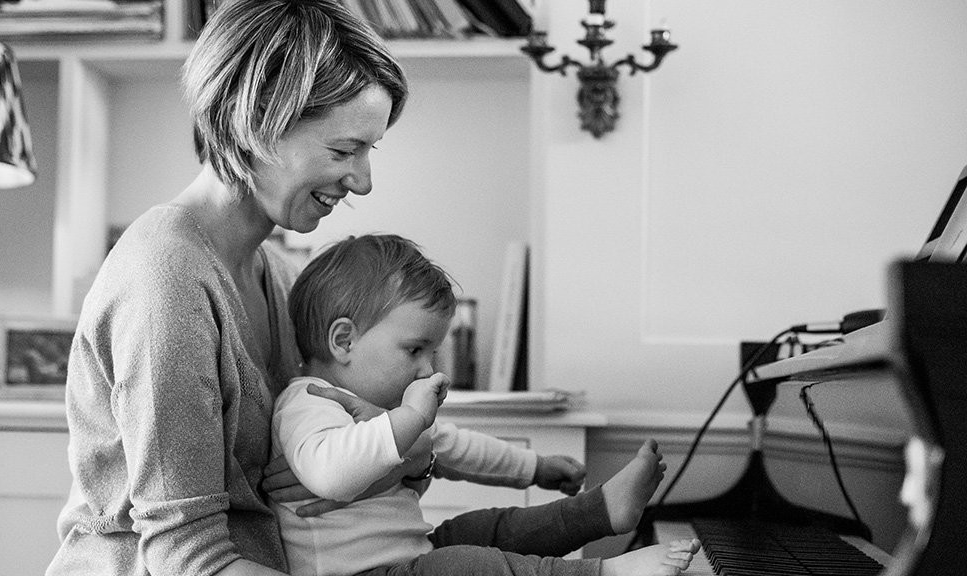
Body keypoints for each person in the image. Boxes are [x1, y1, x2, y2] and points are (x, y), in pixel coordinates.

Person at [46, 1, 417, 574]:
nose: (363, 182)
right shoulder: (165, 283)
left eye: (369, 150)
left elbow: (372, 445)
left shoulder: (284, 276)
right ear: (255, 121)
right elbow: (186, 557)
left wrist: (386, 462)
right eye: (344, 150)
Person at [273, 233, 701, 576]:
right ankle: (601, 572)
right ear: (344, 341)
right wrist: (409, 420)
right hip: (366, 572)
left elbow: (461, 448)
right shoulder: (309, 402)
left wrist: (537, 467)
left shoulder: (383, 409)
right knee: (468, 566)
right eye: (414, 349)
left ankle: (600, 510)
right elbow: (330, 476)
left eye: (433, 351)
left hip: (414, 556)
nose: (428, 369)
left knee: (486, 528)